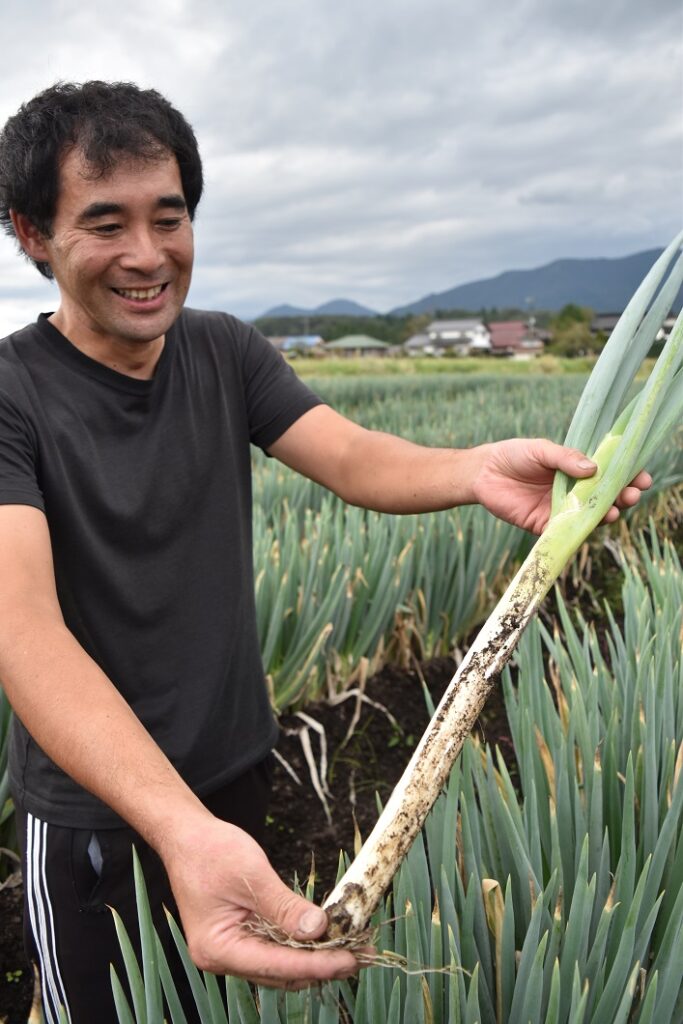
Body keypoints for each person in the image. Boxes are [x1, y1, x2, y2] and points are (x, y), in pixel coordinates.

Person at [0, 81, 650, 1023]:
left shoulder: (223, 351)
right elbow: (25, 633)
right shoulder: (14, 395)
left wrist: (476, 467)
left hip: (233, 774)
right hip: (101, 815)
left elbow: (348, 455)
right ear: (30, 234)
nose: (147, 256)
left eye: (169, 217)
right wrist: (177, 831)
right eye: (105, 224)